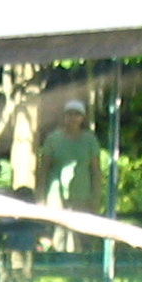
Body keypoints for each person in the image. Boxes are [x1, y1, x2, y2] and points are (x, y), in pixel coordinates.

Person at [39, 98, 103, 251]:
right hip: (56, 196)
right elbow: (43, 170)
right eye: (69, 114)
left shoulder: (89, 140)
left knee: (82, 236)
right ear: (64, 117)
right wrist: (41, 197)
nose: (73, 118)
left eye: (77, 114)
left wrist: (96, 197)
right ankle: (58, 270)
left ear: (83, 118)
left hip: (82, 195)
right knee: (59, 234)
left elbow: (95, 170)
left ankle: (82, 271)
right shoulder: (53, 139)